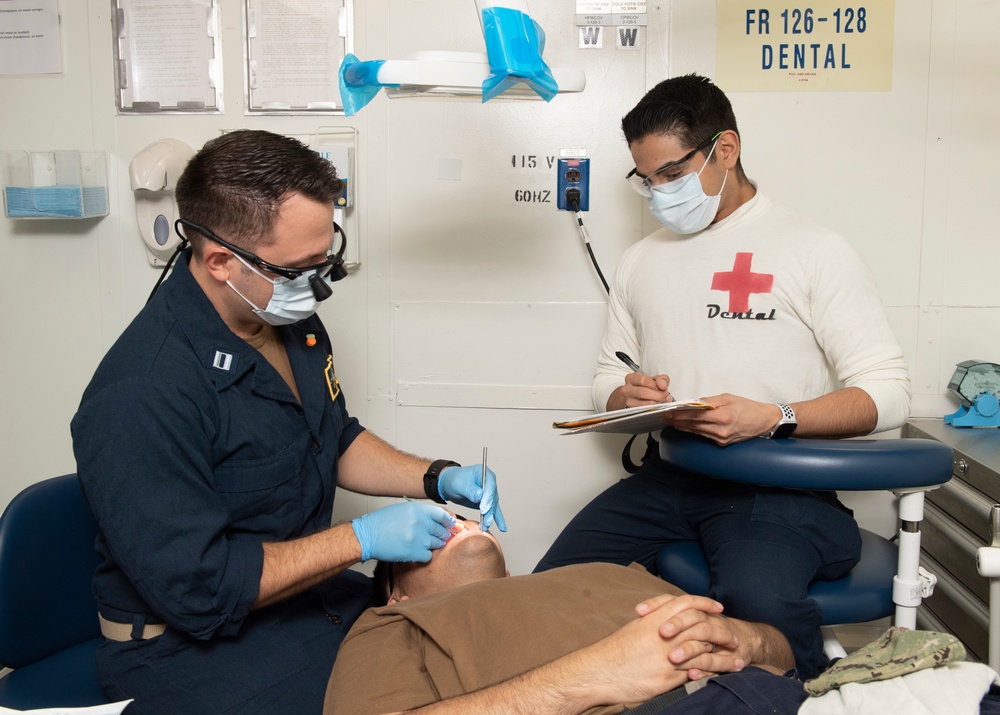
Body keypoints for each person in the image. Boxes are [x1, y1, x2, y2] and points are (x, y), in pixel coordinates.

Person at [71, 129, 506, 714]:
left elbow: (331, 436)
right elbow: (203, 591)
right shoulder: (142, 391)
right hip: (184, 648)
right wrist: (362, 538)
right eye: (299, 268)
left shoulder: (288, 321)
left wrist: (436, 476)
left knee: (471, 623)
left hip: (298, 600)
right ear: (221, 260)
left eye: (326, 258)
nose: (318, 285)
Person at [534, 74, 911, 679]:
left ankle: (807, 693)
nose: (658, 192)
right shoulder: (642, 260)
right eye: (646, 179)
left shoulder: (812, 250)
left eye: (672, 173)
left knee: (756, 614)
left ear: (725, 151)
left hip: (778, 491)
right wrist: (622, 395)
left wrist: (775, 417)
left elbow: (888, 392)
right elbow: (609, 373)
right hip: (674, 475)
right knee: (547, 593)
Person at [324, 518, 799, 715]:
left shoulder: (610, 571)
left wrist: (749, 638)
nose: (451, 520)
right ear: (396, 596)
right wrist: (592, 675)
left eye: (451, 515)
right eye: (422, 536)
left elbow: (785, 652)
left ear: (509, 575)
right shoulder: (389, 627)